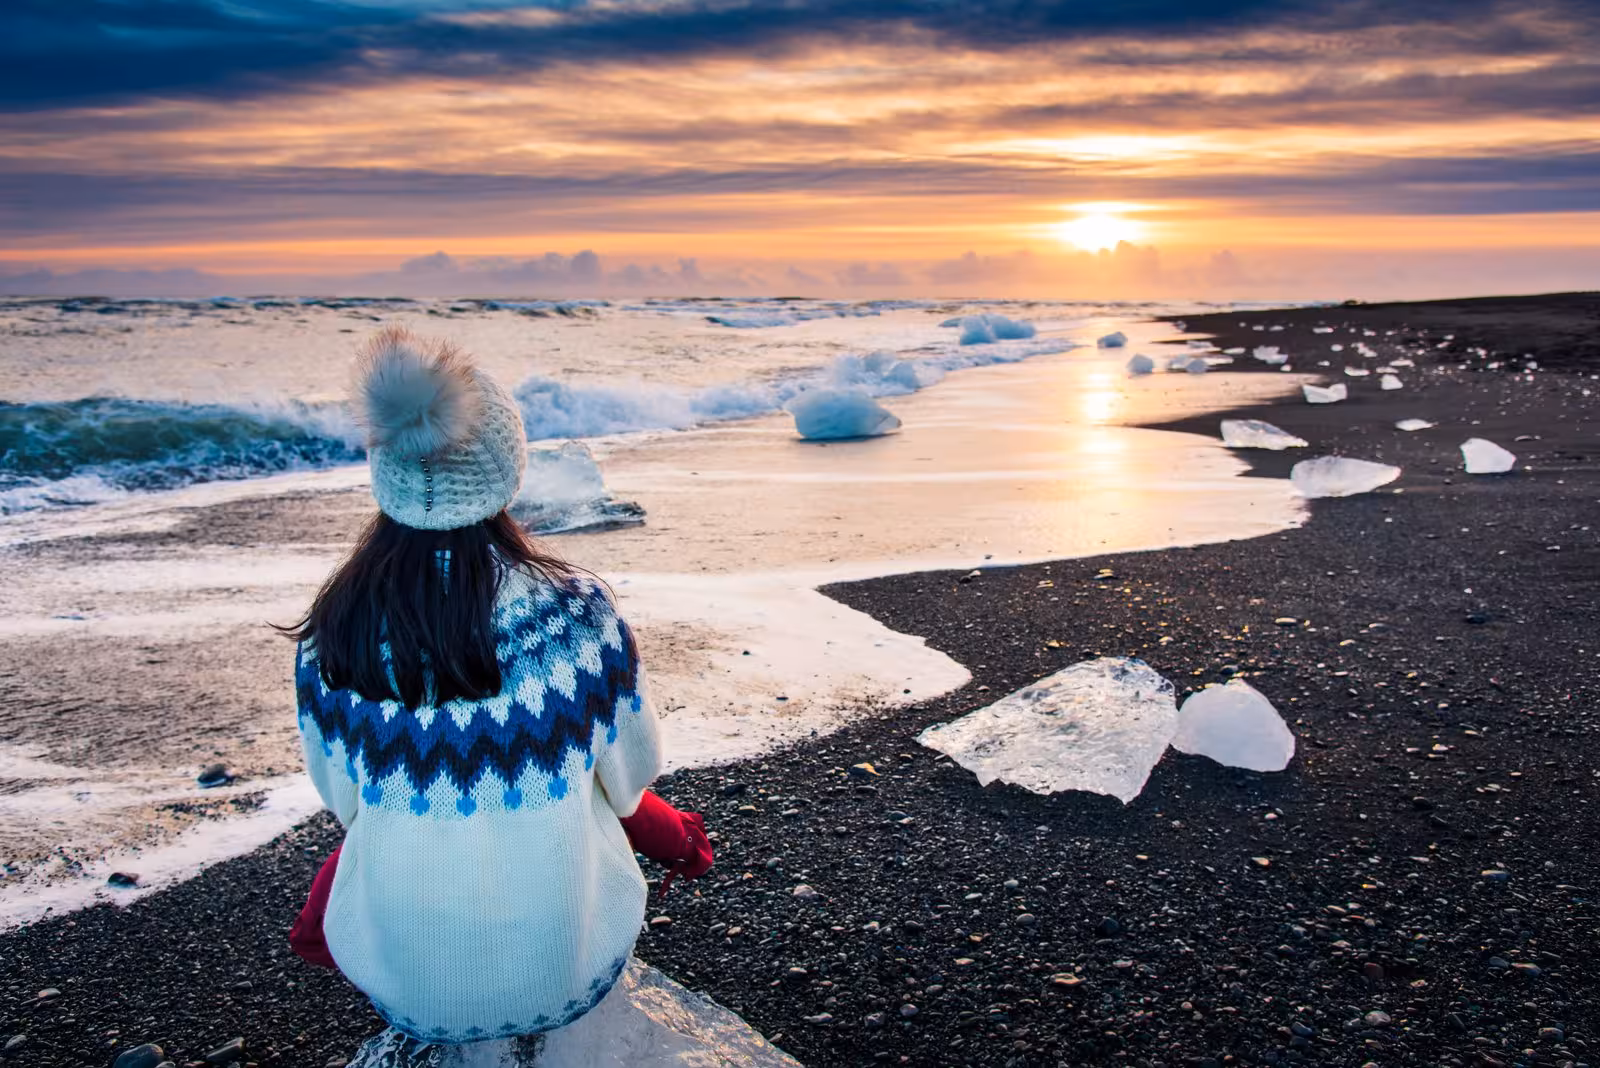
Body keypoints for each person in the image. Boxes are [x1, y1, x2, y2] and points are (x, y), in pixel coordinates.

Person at [280, 327, 712, 1062]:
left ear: (384, 470)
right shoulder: (575, 614)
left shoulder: (334, 631)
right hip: (567, 972)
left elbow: (346, 804)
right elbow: (632, 775)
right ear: (507, 471)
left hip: (407, 990)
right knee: (588, 785)